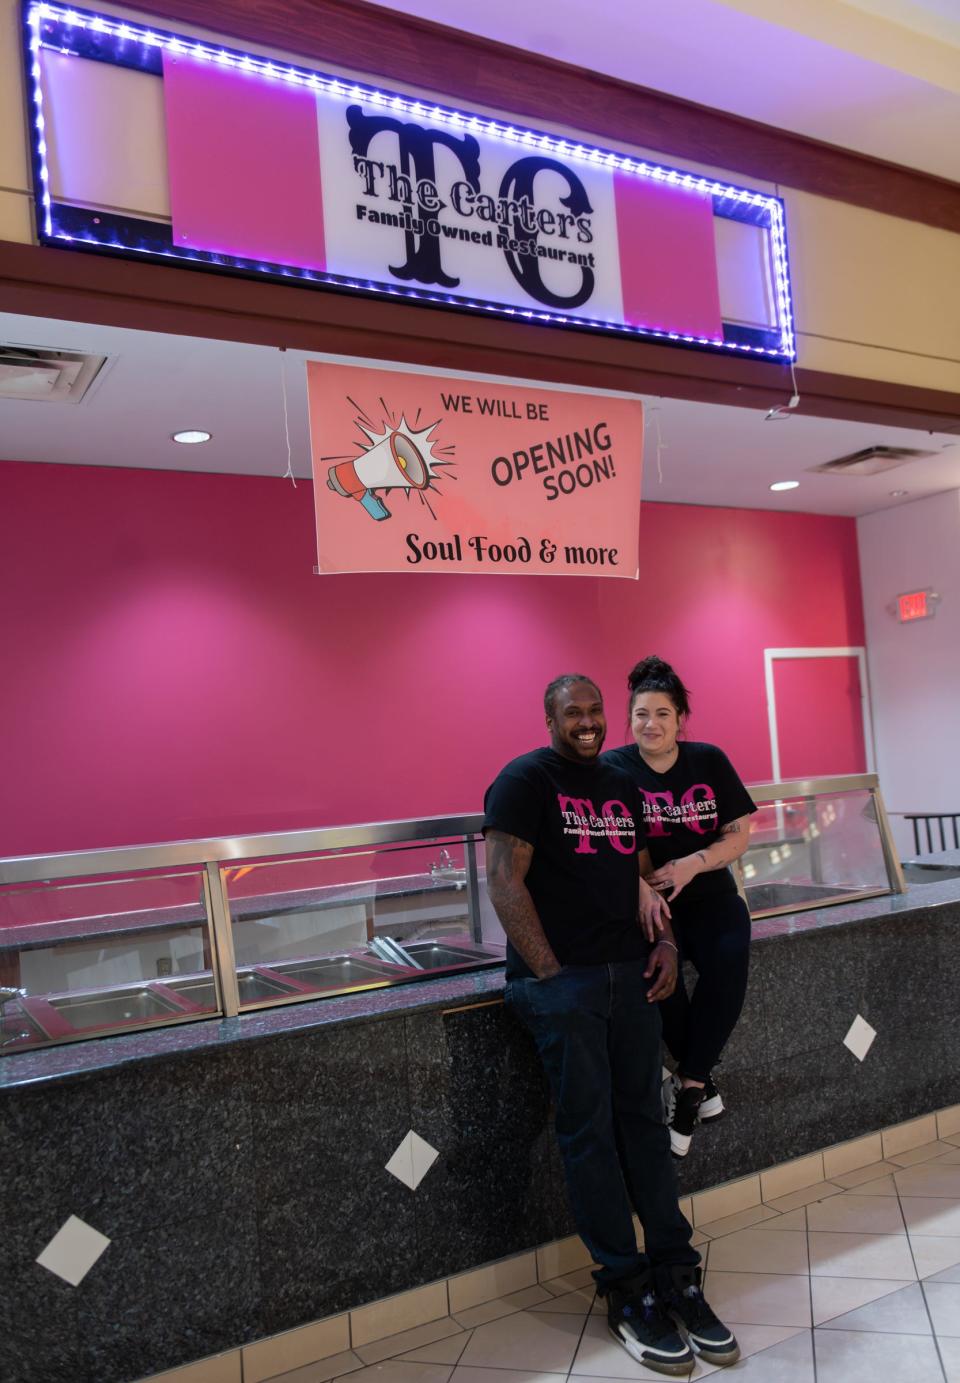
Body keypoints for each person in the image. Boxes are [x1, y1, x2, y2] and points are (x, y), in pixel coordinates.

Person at [484, 674, 740, 1376]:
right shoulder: (525, 780)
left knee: (644, 1124)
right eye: (575, 713)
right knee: (589, 1131)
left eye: (597, 711)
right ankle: (625, 1288)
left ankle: (675, 1270)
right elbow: (504, 880)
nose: (589, 722)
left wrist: (664, 945)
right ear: (550, 718)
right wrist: (549, 975)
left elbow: (640, 875)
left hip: (630, 975)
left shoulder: (621, 786)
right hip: (564, 987)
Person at [602, 656, 756, 1158]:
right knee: (659, 980)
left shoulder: (708, 759)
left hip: (711, 891)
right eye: (641, 714)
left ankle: (688, 1085)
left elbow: (740, 835)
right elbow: (605, 840)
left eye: (662, 713)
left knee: (730, 961)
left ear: (679, 719)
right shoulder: (613, 769)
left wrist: (695, 863)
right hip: (653, 902)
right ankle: (700, 1086)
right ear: (630, 719)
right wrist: (640, 886)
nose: (651, 724)